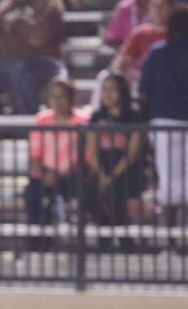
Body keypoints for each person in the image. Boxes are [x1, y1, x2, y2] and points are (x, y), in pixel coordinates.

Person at [139, 4, 188, 226]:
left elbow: (144, 91)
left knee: (168, 177)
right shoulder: (157, 51)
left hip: (164, 120)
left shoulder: (158, 51)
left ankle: (171, 236)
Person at [25, 77, 89, 227]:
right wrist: (45, 172)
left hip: (74, 174)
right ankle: (39, 239)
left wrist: (68, 171)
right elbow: (35, 154)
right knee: (33, 193)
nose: (58, 101)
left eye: (63, 97)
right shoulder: (41, 120)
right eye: (54, 97)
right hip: (46, 174)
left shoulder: (83, 120)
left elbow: (86, 153)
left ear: (72, 98)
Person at [84, 73, 146, 226]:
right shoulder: (96, 118)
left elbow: (131, 154)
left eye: (113, 90)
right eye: (104, 90)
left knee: (118, 189)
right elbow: (93, 151)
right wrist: (102, 174)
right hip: (102, 167)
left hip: (126, 169)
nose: (108, 94)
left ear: (122, 92)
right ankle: (102, 233)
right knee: (87, 190)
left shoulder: (134, 117)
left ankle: (123, 237)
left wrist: (112, 176)